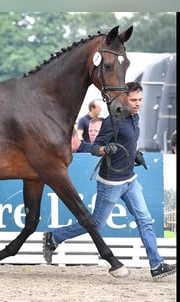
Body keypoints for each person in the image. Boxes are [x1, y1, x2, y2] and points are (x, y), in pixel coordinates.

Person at [43, 82, 176, 280]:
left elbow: (128, 141)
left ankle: (156, 265)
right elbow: (96, 148)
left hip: (131, 180)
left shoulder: (134, 117)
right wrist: (106, 150)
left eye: (140, 99)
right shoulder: (112, 121)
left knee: (145, 220)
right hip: (110, 184)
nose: (138, 104)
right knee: (95, 223)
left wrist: (135, 154)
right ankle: (54, 237)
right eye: (133, 100)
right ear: (123, 99)